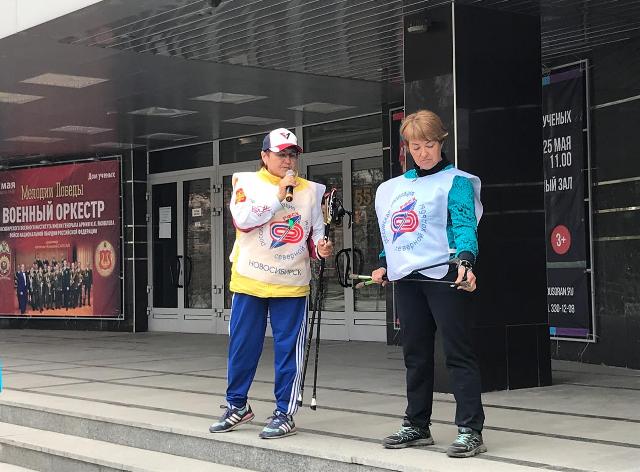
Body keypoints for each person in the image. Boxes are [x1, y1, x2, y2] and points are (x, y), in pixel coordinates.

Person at [372, 110, 486, 458]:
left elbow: (464, 225)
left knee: (457, 352)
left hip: (445, 274)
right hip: (408, 278)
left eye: (430, 145)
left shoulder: (456, 181)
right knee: (415, 355)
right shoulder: (394, 187)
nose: (423, 153)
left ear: (441, 141)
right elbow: (394, 231)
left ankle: (470, 430)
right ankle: (417, 425)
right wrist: (383, 263)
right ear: (407, 148)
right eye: (415, 147)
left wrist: (466, 261)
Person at [209, 128, 333, 439]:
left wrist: (321, 249)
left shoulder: (312, 191)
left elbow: (315, 236)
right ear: (265, 156)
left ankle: (285, 413)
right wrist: (278, 196)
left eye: (292, 155)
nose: (288, 161)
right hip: (250, 279)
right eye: (281, 155)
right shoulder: (246, 182)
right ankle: (237, 405)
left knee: (289, 350)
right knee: (242, 347)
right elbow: (243, 220)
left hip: (291, 283)